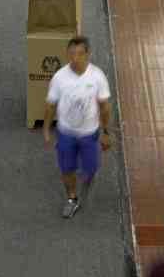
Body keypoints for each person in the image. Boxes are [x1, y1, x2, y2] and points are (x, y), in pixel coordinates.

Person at [42, 35, 113, 219]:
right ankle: (72, 198)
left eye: (80, 54)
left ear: (88, 54)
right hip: (66, 133)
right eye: (71, 54)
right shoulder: (59, 77)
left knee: (91, 169)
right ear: (67, 55)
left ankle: (87, 177)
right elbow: (51, 105)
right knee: (67, 169)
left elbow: (105, 107)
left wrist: (106, 132)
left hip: (89, 134)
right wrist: (46, 129)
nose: (75, 58)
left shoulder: (97, 77)